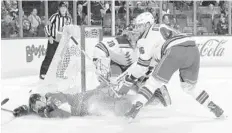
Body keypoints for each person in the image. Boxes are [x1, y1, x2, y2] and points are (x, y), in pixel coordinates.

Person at [116, 12, 224, 120]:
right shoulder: (162, 26)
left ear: (148, 25)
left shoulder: (145, 40)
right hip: (193, 49)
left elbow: (142, 67)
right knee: (189, 87)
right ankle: (214, 108)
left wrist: (128, 82)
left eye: (140, 25)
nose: (137, 29)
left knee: (152, 83)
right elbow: (156, 56)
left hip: (174, 50)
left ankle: (132, 112)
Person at [93, 25, 171, 107]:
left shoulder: (144, 45)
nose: (134, 37)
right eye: (132, 34)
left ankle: (152, 96)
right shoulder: (119, 42)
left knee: (145, 86)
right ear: (127, 34)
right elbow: (100, 47)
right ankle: (100, 97)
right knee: (113, 85)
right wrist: (100, 65)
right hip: (117, 65)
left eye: (136, 34)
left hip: (134, 70)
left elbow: (148, 65)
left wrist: (146, 79)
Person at [40, 1, 72, 80]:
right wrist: (49, 36)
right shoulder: (54, 16)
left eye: (65, 7)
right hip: (53, 40)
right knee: (49, 56)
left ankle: (61, 73)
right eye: (62, 7)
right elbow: (47, 26)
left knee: (64, 58)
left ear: (67, 9)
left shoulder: (69, 19)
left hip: (63, 42)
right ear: (59, 8)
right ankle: (43, 73)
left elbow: (70, 30)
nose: (63, 9)